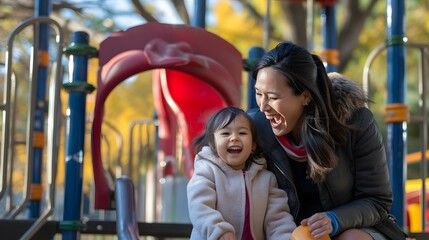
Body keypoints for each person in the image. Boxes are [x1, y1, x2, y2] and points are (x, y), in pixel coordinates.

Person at [247, 41, 407, 240]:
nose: (263, 106)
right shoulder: (255, 127)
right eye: (258, 94)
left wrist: (334, 219)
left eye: (272, 97)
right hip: (289, 233)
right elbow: (214, 163)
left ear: (305, 96)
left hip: (357, 228)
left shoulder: (356, 122)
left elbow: (377, 200)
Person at [187, 106, 296, 240]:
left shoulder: (267, 179)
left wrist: (286, 237)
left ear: (253, 146)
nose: (234, 138)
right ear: (214, 145)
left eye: (242, 133)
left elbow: (278, 220)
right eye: (226, 133)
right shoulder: (207, 171)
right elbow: (200, 207)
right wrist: (219, 231)